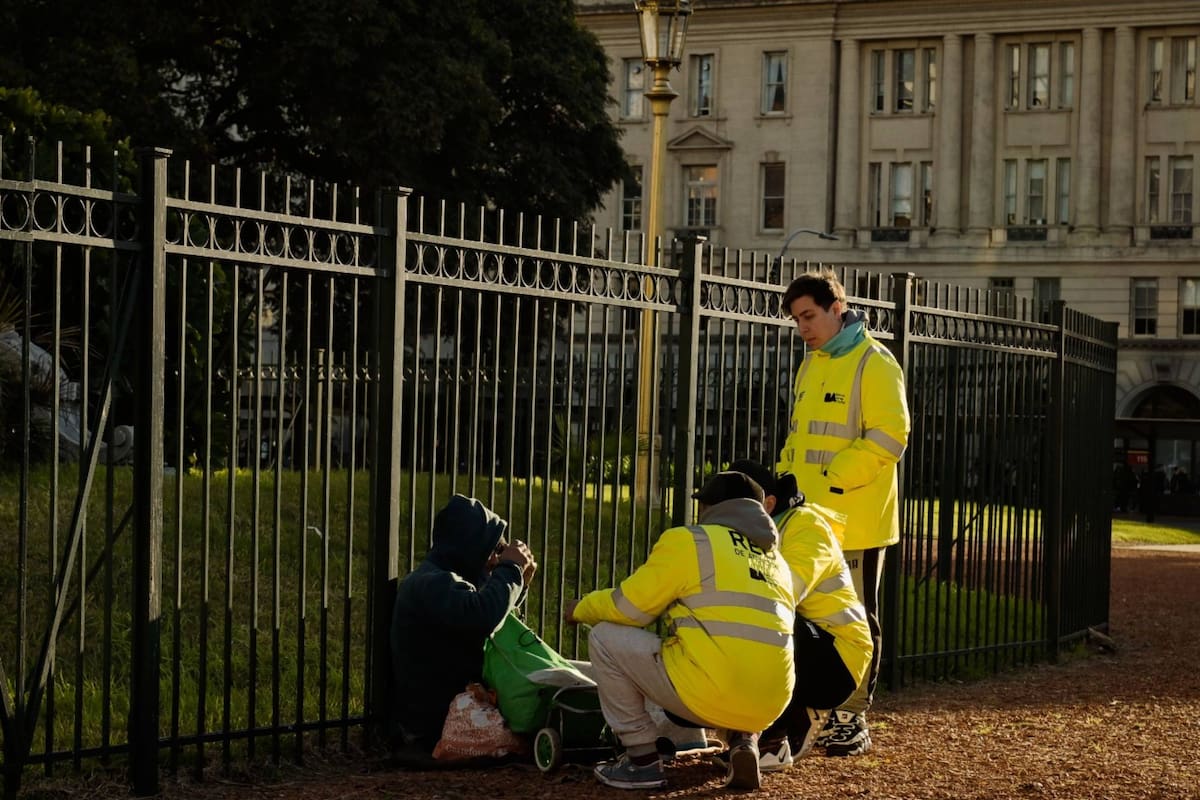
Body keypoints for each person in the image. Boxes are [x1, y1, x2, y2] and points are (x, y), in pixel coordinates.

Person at [564, 472, 796, 791]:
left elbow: (629, 608)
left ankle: (642, 761)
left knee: (604, 638)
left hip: (709, 690)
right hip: (772, 703)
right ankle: (744, 743)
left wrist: (580, 608)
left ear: (712, 508)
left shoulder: (693, 541)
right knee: (738, 658)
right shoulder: (778, 563)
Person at [776, 270, 910, 757]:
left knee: (854, 619)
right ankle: (816, 710)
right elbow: (799, 436)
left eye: (808, 316)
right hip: (807, 517)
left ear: (837, 307)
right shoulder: (811, 363)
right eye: (796, 320)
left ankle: (851, 719)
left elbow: (891, 436)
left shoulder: (875, 361)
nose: (803, 328)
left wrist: (835, 476)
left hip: (857, 519)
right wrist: (784, 487)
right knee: (805, 612)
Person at [726, 459, 874, 770]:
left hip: (838, 658)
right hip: (812, 644)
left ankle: (776, 737)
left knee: (762, 619)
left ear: (768, 503)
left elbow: (785, 593)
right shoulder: (756, 530)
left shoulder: (805, 526)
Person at [390, 494, 536, 753]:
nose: (495, 560)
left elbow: (489, 619)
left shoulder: (445, 581)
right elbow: (482, 618)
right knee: (531, 726)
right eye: (494, 550)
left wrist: (518, 583)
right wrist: (511, 570)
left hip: (447, 710)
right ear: (468, 546)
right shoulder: (432, 583)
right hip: (433, 723)